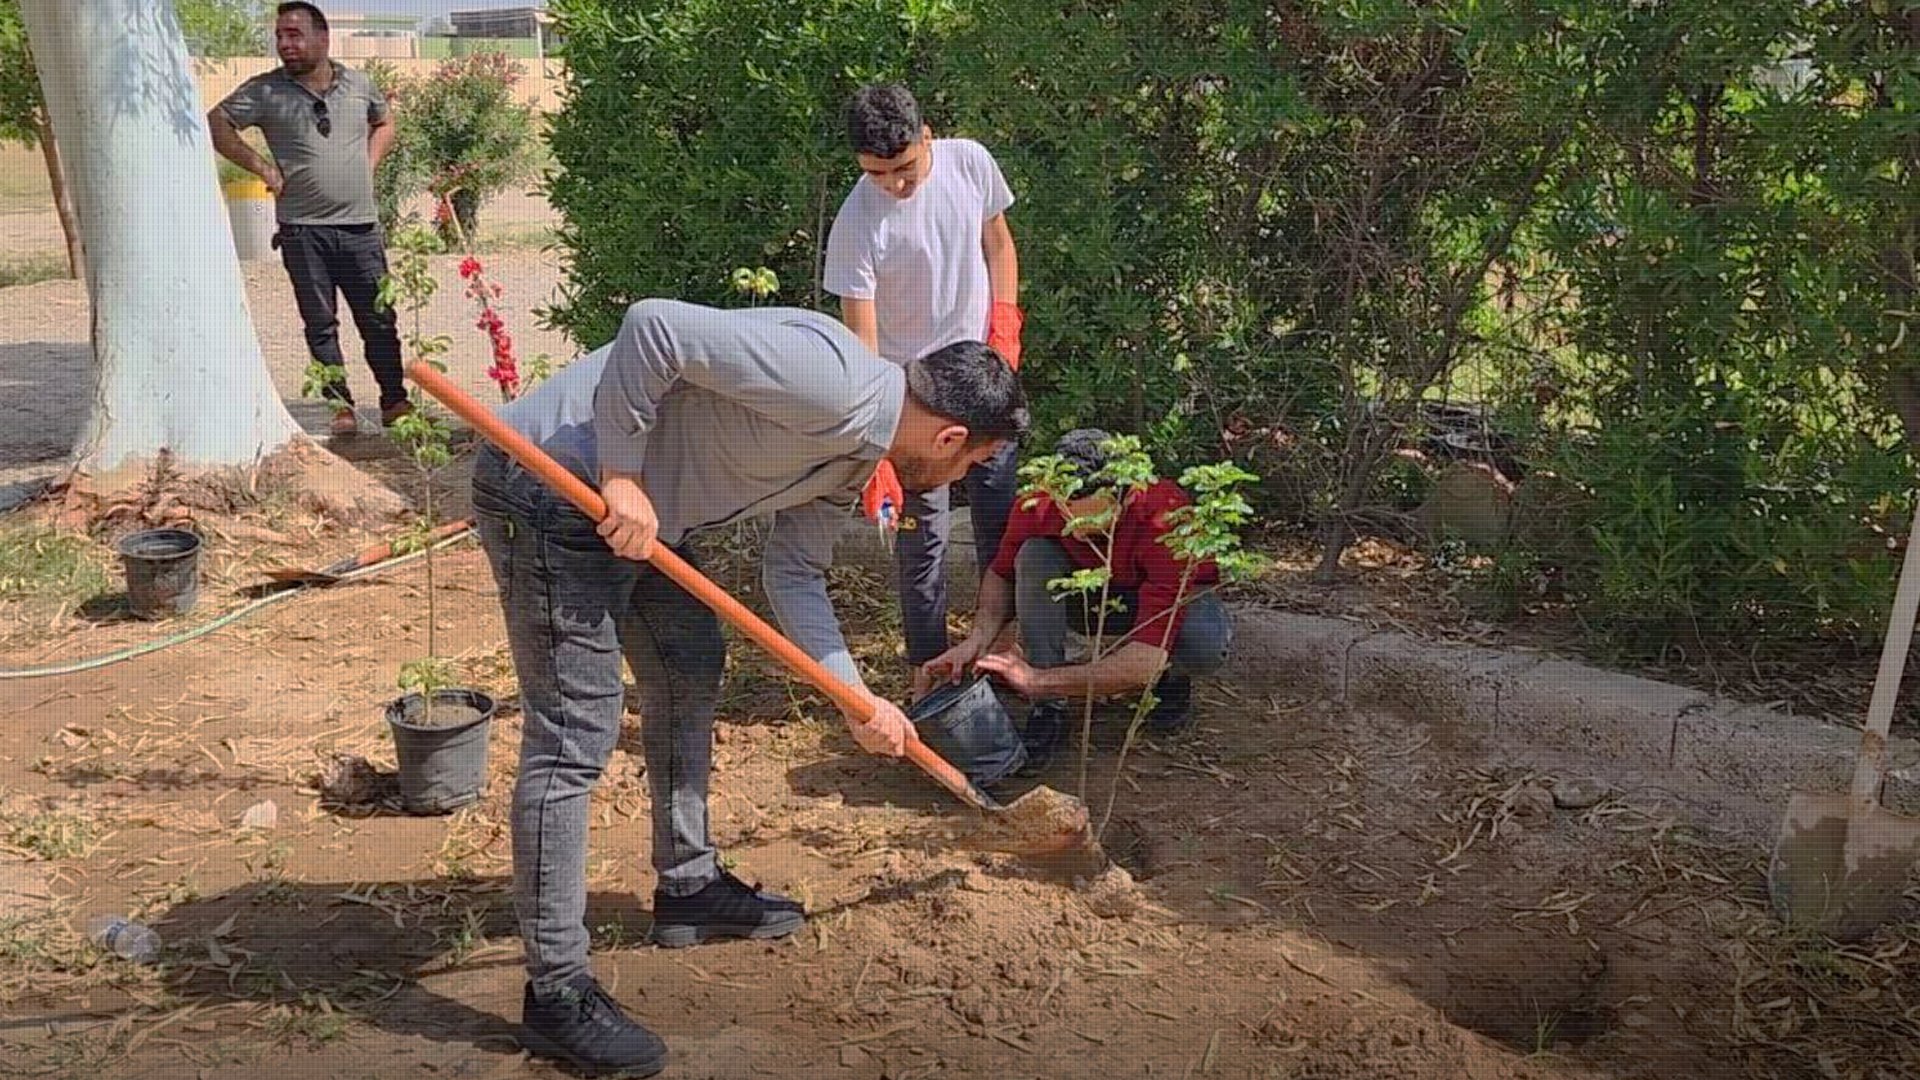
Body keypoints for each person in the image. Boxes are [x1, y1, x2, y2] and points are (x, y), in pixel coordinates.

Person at [473, 298, 1027, 1077]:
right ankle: (556, 992)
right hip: (552, 485)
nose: (957, 481)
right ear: (948, 436)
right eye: (967, 468)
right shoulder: (834, 386)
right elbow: (652, 328)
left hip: (638, 516)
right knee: (574, 738)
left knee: (689, 659)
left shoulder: (857, 456)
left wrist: (855, 696)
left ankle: (688, 885)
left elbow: (794, 571)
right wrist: (623, 475)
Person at [823, 83, 1027, 670]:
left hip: (982, 382)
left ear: (927, 134)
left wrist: (1005, 326)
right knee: (921, 543)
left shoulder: (971, 162)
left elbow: (998, 247)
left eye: (904, 167)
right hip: (912, 407)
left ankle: (1002, 657)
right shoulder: (857, 223)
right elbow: (864, 349)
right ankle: (930, 674)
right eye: (877, 173)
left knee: (1000, 525)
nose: (894, 184)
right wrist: (878, 450)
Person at [914, 430, 1235, 774]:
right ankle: (1050, 707)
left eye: (1093, 522)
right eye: (1069, 516)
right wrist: (977, 640)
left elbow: (1144, 660)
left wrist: (1033, 680)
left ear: (1125, 498)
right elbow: (1001, 573)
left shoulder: (1166, 519)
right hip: (1086, 598)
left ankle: (1170, 681)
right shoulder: (1038, 503)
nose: (1077, 531)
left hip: (1159, 602)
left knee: (1204, 641)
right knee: (1034, 555)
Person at [209, 1, 408, 437]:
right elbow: (218, 122)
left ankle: (395, 400)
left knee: (378, 318)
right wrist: (262, 168)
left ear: (323, 38)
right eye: (280, 35)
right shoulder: (265, 90)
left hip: (360, 229)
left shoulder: (358, 84)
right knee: (320, 323)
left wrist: (367, 164)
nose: (285, 44)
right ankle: (340, 408)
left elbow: (386, 122)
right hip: (302, 232)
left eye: (294, 34)